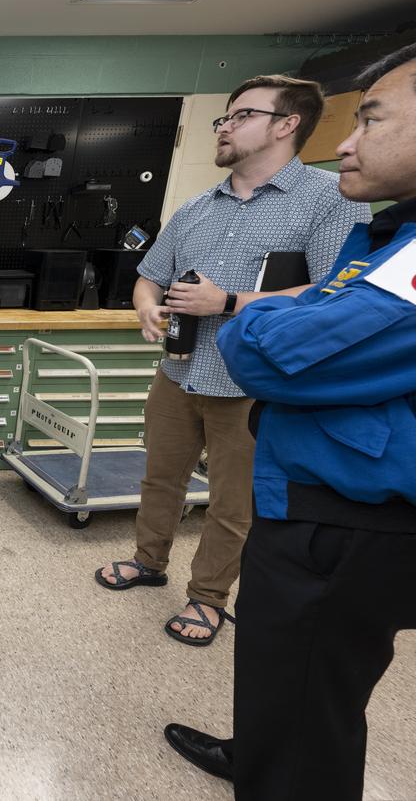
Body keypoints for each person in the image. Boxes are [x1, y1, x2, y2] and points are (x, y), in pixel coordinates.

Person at [166, 43, 416, 801]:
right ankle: (260, 752)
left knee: (310, 692)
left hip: (351, 517)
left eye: (371, 120)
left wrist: (238, 312)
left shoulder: (351, 220)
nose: (347, 142)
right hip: (313, 493)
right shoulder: (385, 234)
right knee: (288, 674)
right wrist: (289, 309)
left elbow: (276, 356)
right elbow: (311, 309)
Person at [95, 75, 370, 645]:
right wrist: (147, 308)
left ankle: (208, 598)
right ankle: (148, 561)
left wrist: (227, 302)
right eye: (224, 117)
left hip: (253, 385)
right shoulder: (197, 208)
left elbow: (336, 292)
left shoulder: (329, 200)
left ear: (287, 124)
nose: (224, 127)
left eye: (242, 115)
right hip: (179, 372)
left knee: (233, 501)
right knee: (160, 479)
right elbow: (150, 276)